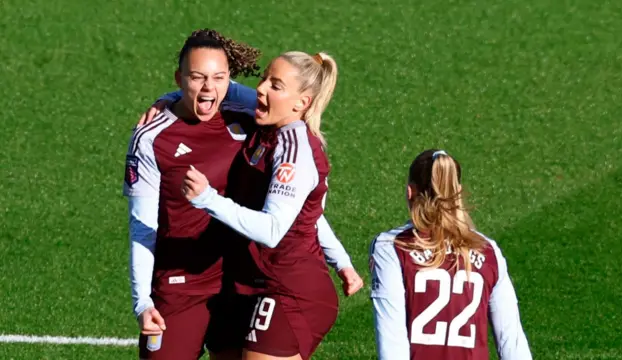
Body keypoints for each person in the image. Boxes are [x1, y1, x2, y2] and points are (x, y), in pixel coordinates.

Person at [124, 29, 361, 360]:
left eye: (219, 78)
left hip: (243, 282)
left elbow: (291, 213)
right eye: (197, 77)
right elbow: (142, 225)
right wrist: (142, 300)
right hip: (182, 286)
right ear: (180, 78)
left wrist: (339, 259)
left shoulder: (255, 115)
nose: (210, 88)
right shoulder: (153, 137)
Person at [181, 51, 345, 360]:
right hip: (245, 280)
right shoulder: (268, 132)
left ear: (301, 103)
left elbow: (272, 230)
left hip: (288, 288)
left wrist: (207, 199)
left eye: (276, 85)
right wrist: (165, 102)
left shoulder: (293, 150)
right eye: (264, 78)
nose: (261, 88)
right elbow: (308, 214)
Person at [369, 149, 532, 360]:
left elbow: (392, 344)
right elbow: (512, 343)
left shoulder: (391, 247)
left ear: (410, 192)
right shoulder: (488, 250)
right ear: (459, 192)